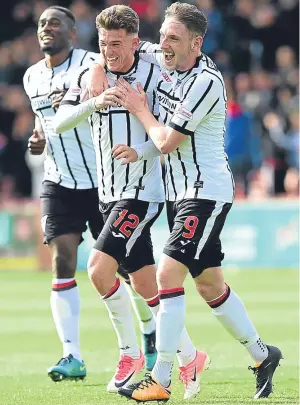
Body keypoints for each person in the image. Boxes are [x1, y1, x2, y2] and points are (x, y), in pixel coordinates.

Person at [89, 2, 283, 402]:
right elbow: (117, 46)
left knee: (166, 276)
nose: (163, 45)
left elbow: (166, 141)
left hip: (205, 192)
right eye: (162, 35)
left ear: (196, 43)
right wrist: (95, 67)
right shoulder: (162, 57)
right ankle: (263, 355)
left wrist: (140, 111)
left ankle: (161, 376)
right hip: (180, 195)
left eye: (173, 38)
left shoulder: (205, 81)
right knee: (211, 286)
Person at [54, 5, 208, 395]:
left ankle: (132, 355)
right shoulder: (94, 72)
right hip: (107, 193)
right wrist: (95, 100)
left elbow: (169, 135)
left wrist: (139, 151)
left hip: (141, 193)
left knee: (98, 271)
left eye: (118, 45)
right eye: (104, 44)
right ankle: (191, 357)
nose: (110, 52)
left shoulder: (157, 67)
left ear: (137, 42)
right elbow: (58, 123)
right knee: (144, 285)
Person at [23, 5, 158, 382]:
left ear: (72, 33)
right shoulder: (31, 76)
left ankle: (148, 329)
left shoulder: (93, 63)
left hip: (103, 181)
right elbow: (44, 122)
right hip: (59, 180)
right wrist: (38, 138)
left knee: (128, 269)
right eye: (41, 24)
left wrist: (98, 72)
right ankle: (72, 355)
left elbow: (127, 55)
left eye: (55, 23)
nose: (46, 28)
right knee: (63, 260)